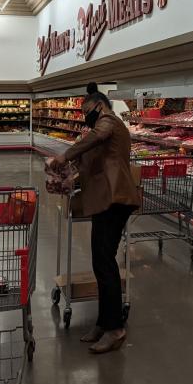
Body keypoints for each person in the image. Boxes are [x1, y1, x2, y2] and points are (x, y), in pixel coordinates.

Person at [45, 90, 140, 353]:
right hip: (104, 199)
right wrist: (68, 180)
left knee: (105, 263)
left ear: (99, 106)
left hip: (115, 198)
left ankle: (115, 329)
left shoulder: (108, 121)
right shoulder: (101, 130)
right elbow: (89, 167)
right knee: (101, 262)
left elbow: (97, 135)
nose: (85, 116)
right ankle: (103, 322)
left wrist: (65, 155)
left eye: (86, 111)